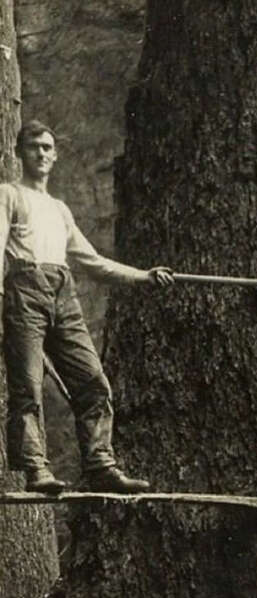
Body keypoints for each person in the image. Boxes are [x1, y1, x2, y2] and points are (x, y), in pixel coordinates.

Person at [0, 120, 173, 495]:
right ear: (19, 153)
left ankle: (100, 464)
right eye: (33, 147)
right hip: (22, 291)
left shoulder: (59, 209)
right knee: (28, 387)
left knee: (92, 380)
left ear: (55, 155)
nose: (41, 154)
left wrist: (144, 276)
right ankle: (36, 470)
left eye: (47, 147)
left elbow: (93, 262)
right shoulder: (8, 195)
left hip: (63, 292)